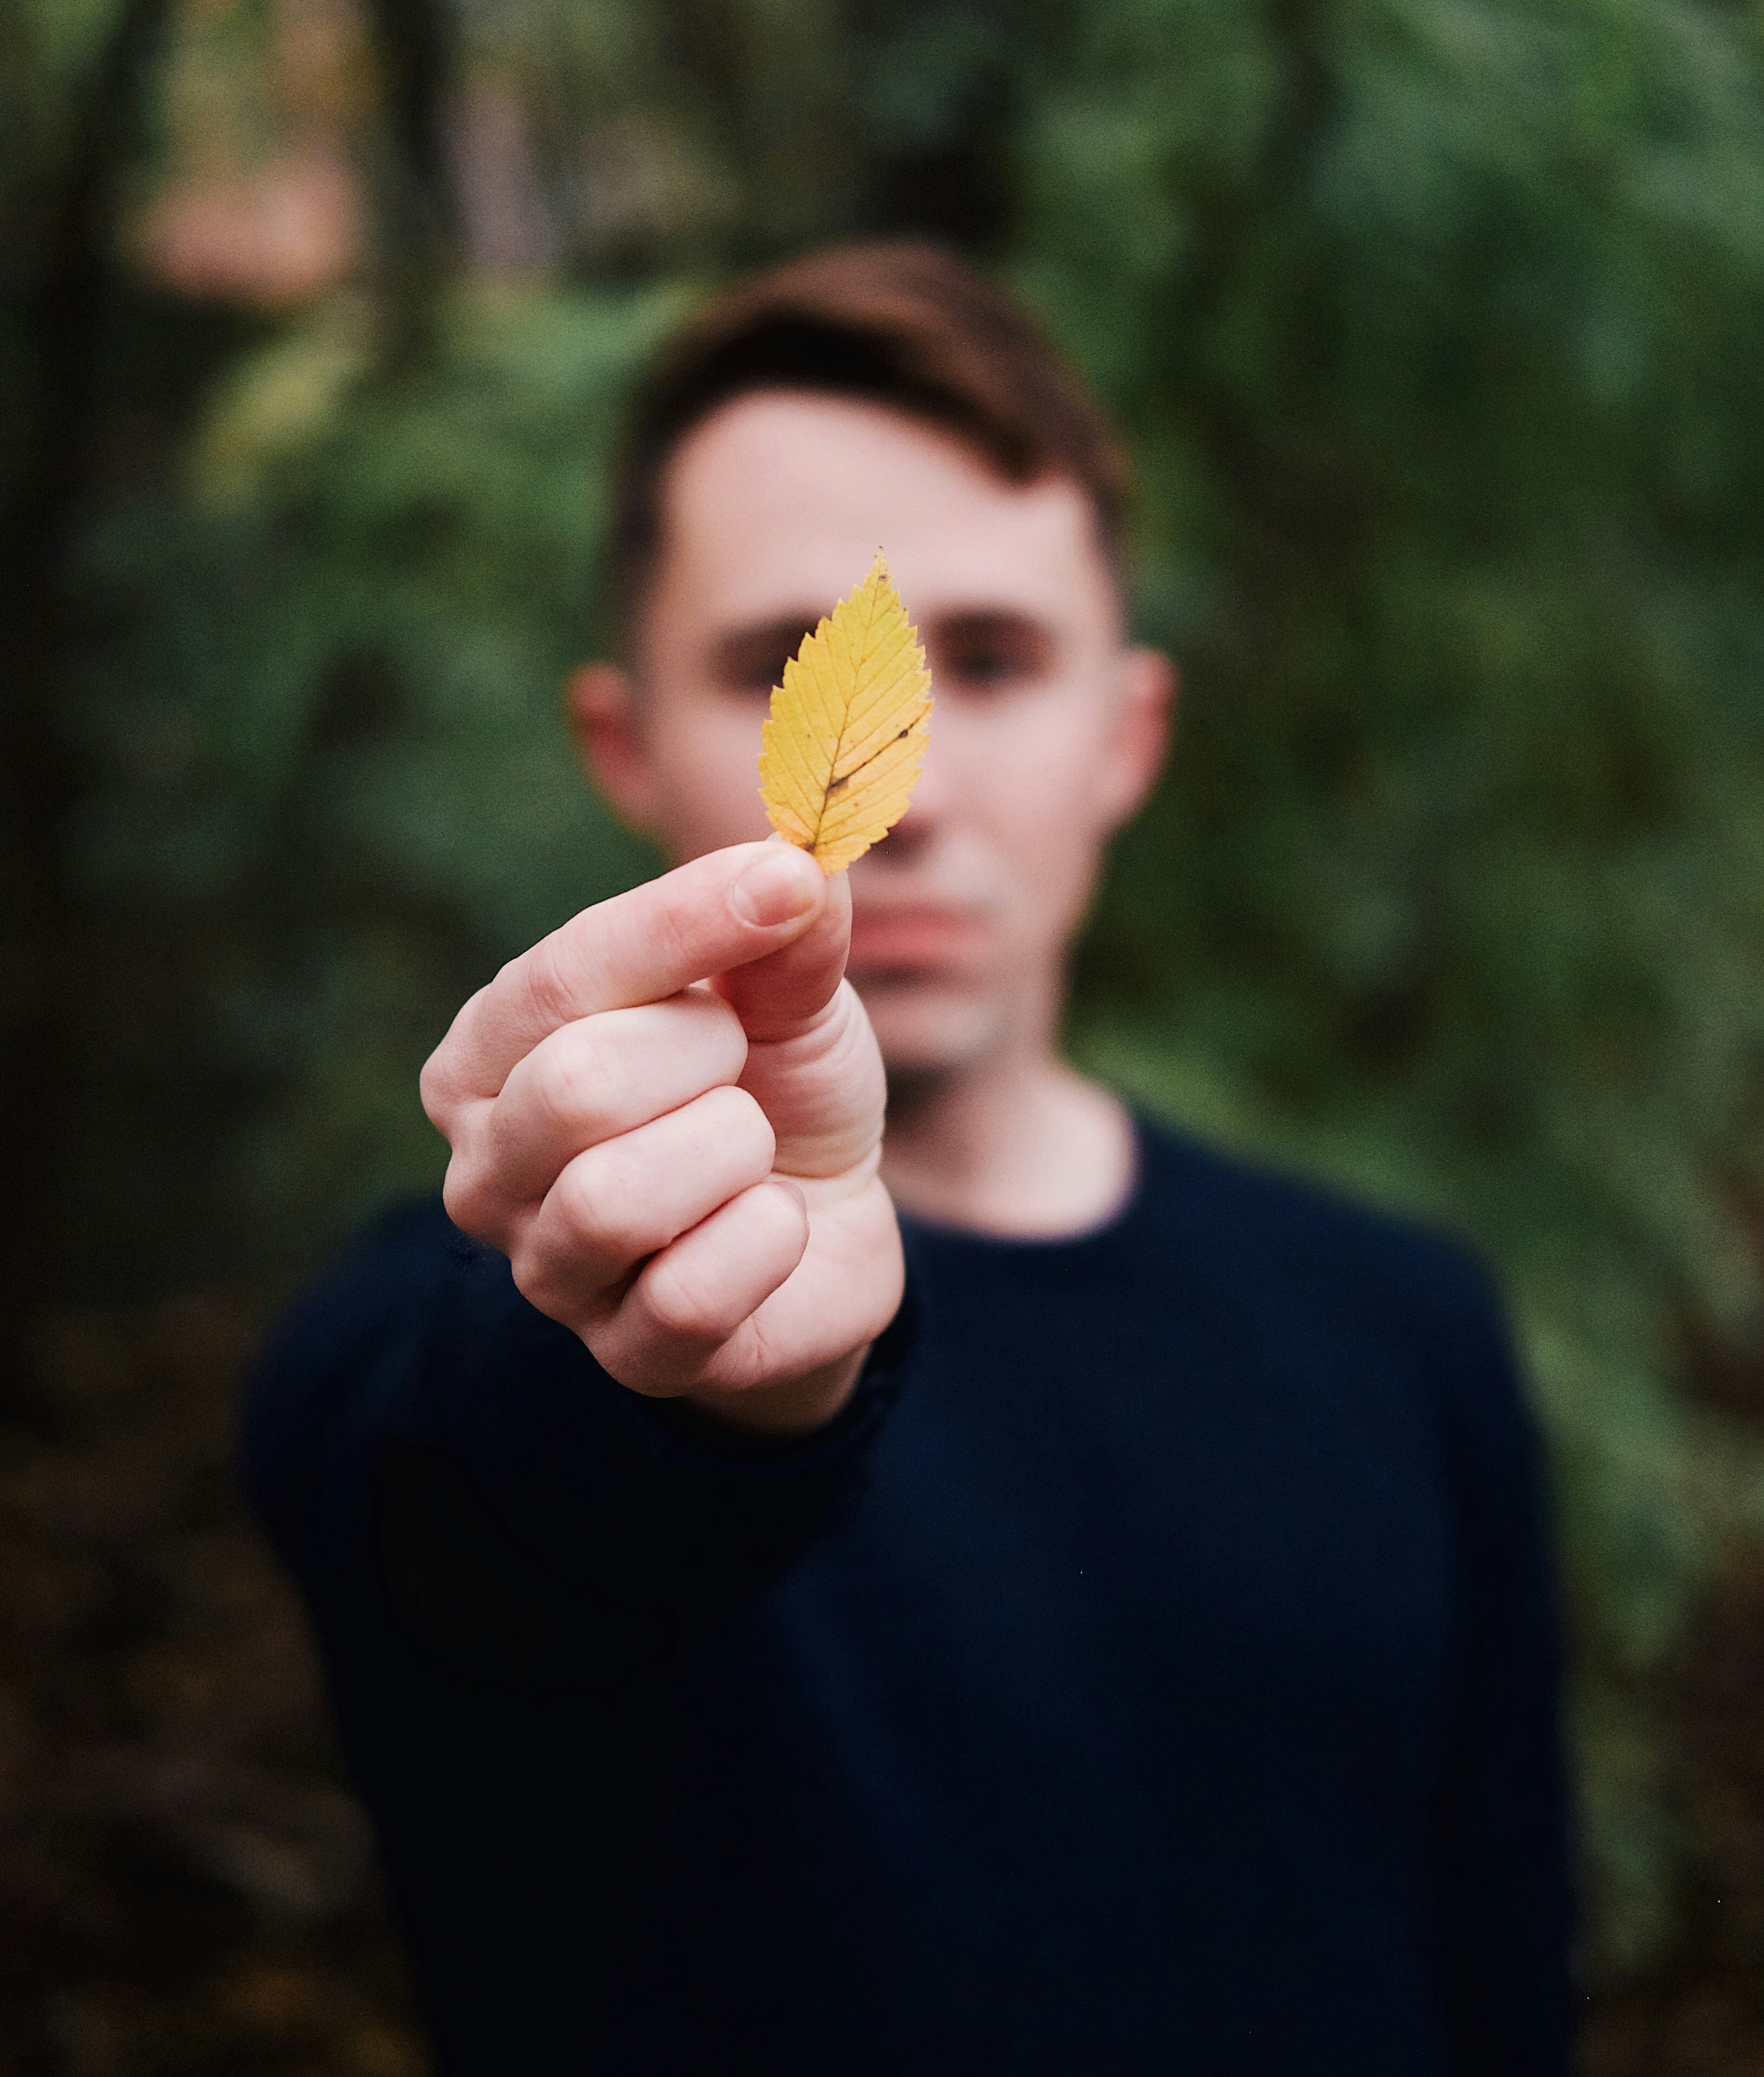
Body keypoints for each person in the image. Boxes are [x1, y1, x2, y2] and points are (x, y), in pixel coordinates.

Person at [246, 242, 1575, 2075]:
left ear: (1131, 736)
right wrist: (701, 1388)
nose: (918, 792)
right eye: (774, 663)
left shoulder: (1404, 1329)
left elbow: (1503, 1966)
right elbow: (498, 1519)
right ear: (622, 748)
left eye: (1005, 662)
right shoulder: (444, 1337)